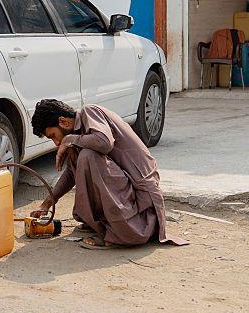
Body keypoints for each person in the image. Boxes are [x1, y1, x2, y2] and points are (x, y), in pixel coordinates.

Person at [30, 99, 186, 250]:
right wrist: (47, 203)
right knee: (84, 158)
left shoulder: (89, 112)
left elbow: (105, 143)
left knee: (88, 156)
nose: (56, 143)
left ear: (63, 121)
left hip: (142, 205)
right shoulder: (78, 136)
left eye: (53, 136)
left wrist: (69, 139)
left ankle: (116, 234)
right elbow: (72, 173)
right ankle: (106, 224)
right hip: (129, 196)